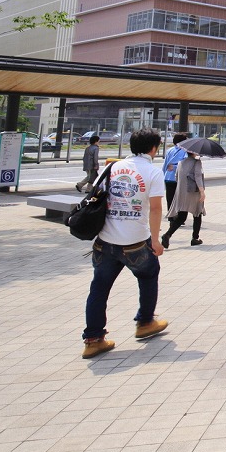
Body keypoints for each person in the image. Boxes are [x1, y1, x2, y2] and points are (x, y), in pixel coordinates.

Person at [80, 128, 168, 359]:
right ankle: (145, 322)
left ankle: (93, 340)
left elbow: (95, 194)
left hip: (105, 240)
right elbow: (156, 208)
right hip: (135, 242)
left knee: (98, 288)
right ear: (153, 147)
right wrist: (156, 240)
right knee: (148, 276)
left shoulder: (113, 167)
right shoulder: (152, 172)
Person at [162, 152, 206, 248]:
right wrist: (202, 191)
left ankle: (167, 235)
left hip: (182, 192)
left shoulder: (181, 162)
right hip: (193, 192)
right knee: (197, 214)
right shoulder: (197, 162)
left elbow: (176, 177)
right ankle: (195, 238)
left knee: (181, 217)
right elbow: (198, 176)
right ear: (194, 152)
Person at [161, 133, 189, 214]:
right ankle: (179, 216)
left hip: (168, 178)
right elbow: (185, 165)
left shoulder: (169, 150)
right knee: (180, 198)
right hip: (179, 178)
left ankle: (171, 216)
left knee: (170, 198)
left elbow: (165, 164)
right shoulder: (185, 151)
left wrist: (162, 175)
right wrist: (175, 167)